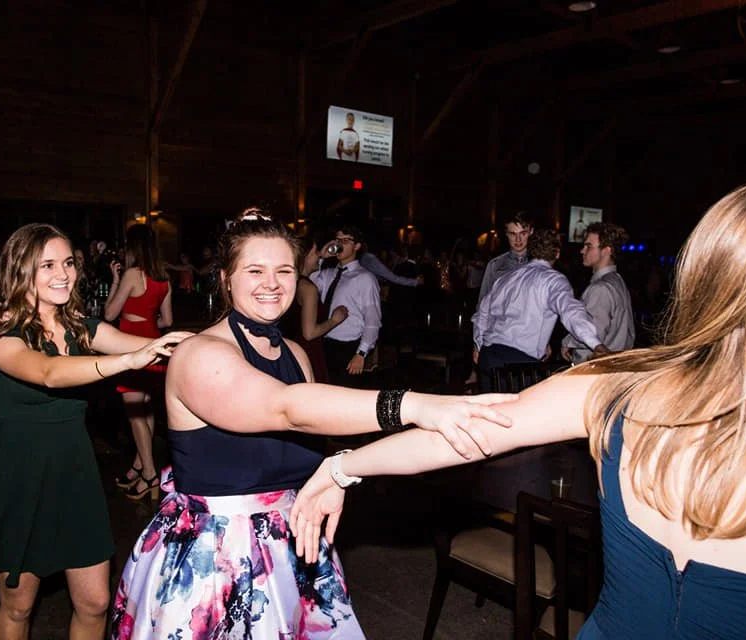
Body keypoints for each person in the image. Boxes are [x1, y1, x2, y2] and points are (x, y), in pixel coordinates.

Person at [292, 178, 746, 638]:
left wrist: (342, 468)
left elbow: (470, 425)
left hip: (502, 362)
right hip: (515, 361)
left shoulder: (615, 385)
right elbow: (569, 324)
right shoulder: (608, 376)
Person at [109, 208, 516, 640]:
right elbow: (288, 408)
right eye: (255, 270)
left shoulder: (295, 355)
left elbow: (314, 437)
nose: (272, 283)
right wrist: (412, 405)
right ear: (226, 278)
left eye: (284, 270)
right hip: (217, 558)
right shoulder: (199, 355)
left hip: (292, 545)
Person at [0, 223, 191, 640]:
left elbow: (140, 342)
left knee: (96, 602)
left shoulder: (82, 327)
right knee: (18, 605)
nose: (63, 273)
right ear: (20, 270)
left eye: (67, 262)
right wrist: (134, 358)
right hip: (19, 477)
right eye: (47, 265)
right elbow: (48, 373)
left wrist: (200, 343)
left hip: (75, 473)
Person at [472, 229, 607, 392]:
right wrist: (596, 344)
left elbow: (482, 314)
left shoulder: (506, 278)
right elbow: (571, 311)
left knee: (491, 414)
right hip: (517, 365)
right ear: (557, 254)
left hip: (489, 356)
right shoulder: (553, 280)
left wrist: (478, 345)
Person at [104, 224, 174, 501]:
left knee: (134, 413)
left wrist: (113, 281)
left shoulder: (134, 274)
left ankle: (150, 475)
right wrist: (147, 322)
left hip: (130, 348)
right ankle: (138, 466)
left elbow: (110, 313)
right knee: (144, 409)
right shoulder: (164, 277)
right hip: (154, 347)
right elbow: (167, 321)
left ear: (133, 247)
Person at [311, 225, 381, 386]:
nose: (340, 244)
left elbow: (373, 319)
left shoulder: (365, 278)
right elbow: (309, 284)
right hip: (324, 343)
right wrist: (322, 257)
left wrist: (361, 354)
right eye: (337, 239)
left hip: (348, 348)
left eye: (346, 240)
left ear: (357, 246)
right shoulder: (329, 273)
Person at [562, 223, 635, 364]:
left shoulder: (600, 288)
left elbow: (594, 334)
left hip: (593, 367)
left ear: (606, 251)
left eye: (588, 246)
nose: (582, 251)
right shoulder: (618, 282)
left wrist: (567, 342)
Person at [280, 234, 348, 383]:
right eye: (316, 251)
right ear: (307, 254)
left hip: (289, 348)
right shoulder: (308, 289)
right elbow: (309, 333)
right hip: (307, 351)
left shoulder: (290, 280)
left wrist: (321, 256)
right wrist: (335, 320)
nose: (319, 255)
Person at [477, 211, 532, 303]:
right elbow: (482, 303)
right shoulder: (495, 265)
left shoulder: (540, 264)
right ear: (506, 233)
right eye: (513, 234)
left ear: (531, 232)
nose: (518, 239)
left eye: (523, 233)